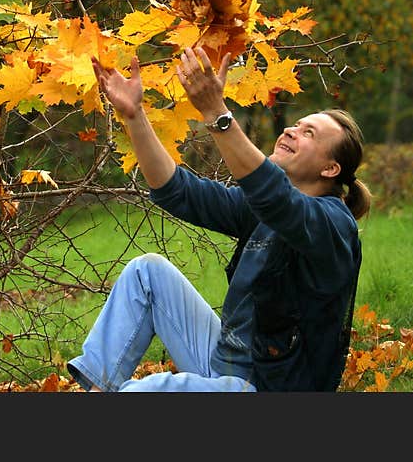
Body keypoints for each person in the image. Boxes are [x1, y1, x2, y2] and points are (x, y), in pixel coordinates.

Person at [66, 46, 371, 392]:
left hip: (270, 387)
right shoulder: (261, 208)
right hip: (225, 366)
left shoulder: (333, 226)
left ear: (330, 169)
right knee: (146, 272)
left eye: (309, 134)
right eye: (297, 125)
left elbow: (278, 200)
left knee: (143, 392)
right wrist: (134, 116)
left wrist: (215, 111)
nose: (290, 131)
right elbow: (179, 192)